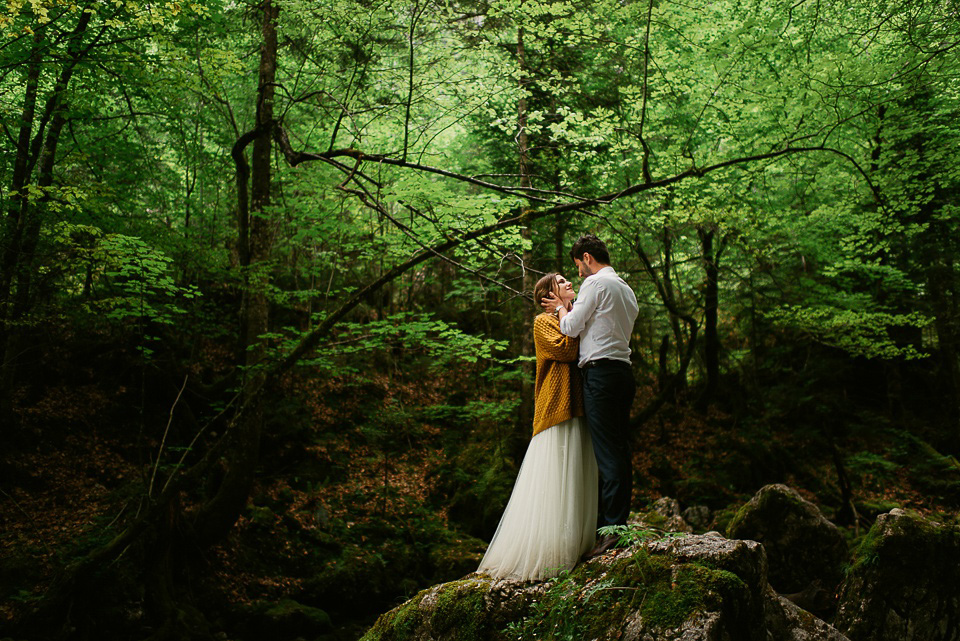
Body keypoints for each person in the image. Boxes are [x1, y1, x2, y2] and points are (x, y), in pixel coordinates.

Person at [477, 273, 599, 581]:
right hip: (556, 406)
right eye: (561, 280)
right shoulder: (542, 321)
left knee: (577, 475)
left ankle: (578, 544)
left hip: (581, 406)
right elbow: (566, 352)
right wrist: (563, 314)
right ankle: (551, 552)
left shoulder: (577, 315)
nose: (569, 280)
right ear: (549, 294)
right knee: (556, 476)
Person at [541, 234, 639, 559]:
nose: (579, 275)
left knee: (608, 454)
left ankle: (612, 531)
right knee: (621, 450)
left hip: (600, 374)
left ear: (587, 258)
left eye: (578, 268)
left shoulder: (596, 285)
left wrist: (559, 309)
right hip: (624, 373)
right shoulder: (626, 289)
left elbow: (570, 328)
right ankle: (616, 526)